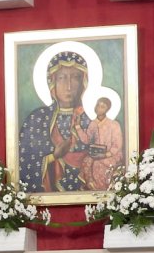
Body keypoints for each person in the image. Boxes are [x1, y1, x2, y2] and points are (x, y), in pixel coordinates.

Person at [18, 51, 92, 193]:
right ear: (52, 83)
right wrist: (53, 156)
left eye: (75, 78)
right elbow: (24, 164)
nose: (68, 86)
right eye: (61, 78)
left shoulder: (92, 121)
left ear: (83, 82)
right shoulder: (37, 120)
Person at [77, 96, 124, 190]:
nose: (99, 108)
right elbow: (87, 140)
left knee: (97, 164)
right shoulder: (93, 124)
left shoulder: (114, 124)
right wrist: (78, 127)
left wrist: (107, 154)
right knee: (87, 161)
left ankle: (101, 190)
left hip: (111, 155)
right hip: (97, 153)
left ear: (107, 109)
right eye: (98, 105)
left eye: (103, 107)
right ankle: (92, 186)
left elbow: (117, 144)